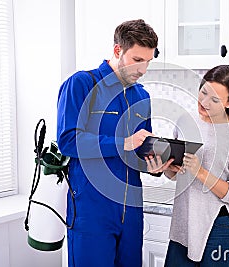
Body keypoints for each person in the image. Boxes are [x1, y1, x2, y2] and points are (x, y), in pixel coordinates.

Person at [56, 19, 173, 267]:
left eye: (148, 61)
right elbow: (68, 141)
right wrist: (122, 143)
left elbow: (141, 149)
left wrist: (155, 165)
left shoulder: (142, 95)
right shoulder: (81, 84)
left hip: (131, 212)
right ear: (118, 50)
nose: (142, 69)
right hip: (91, 210)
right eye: (137, 60)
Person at [162, 65, 229, 267]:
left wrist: (200, 172)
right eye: (203, 92)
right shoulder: (185, 121)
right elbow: (177, 174)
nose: (203, 102)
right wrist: (165, 168)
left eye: (214, 99)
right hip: (183, 224)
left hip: (219, 228)